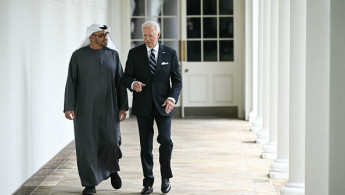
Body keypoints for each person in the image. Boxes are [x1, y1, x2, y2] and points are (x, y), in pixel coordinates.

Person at [64, 23, 128, 195]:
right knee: (87, 145)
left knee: (112, 141)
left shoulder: (113, 55)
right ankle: (90, 183)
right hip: (84, 107)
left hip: (109, 107)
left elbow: (120, 82)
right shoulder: (78, 56)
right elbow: (71, 82)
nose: (105, 38)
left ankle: (112, 169)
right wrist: (69, 106)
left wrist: (123, 106)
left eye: (106, 35)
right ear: (91, 37)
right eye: (101, 35)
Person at [122, 21, 182, 194]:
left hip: (164, 105)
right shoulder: (134, 53)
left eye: (150, 35)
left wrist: (172, 98)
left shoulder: (170, 54)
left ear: (158, 35)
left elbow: (177, 80)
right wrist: (133, 84)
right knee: (145, 145)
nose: (147, 38)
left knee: (165, 141)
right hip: (143, 105)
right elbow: (126, 77)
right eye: (144, 35)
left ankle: (165, 178)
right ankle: (148, 182)